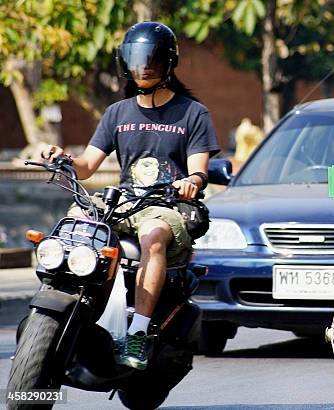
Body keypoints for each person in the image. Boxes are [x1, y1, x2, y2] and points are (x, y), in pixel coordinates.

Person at [42, 21, 220, 370]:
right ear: (125, 62)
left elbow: (198, 171)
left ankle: (137, 331)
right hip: (123, 201)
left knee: (153, 238)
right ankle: (58, 302)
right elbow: (87, 166)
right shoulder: (116, 113)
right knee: (75, 220)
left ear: (168, 62)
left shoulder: (193, 113)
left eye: (152, 58)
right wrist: (63, 158)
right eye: (138, 59)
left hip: (166, 205)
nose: (145, 66)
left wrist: (191, 181)